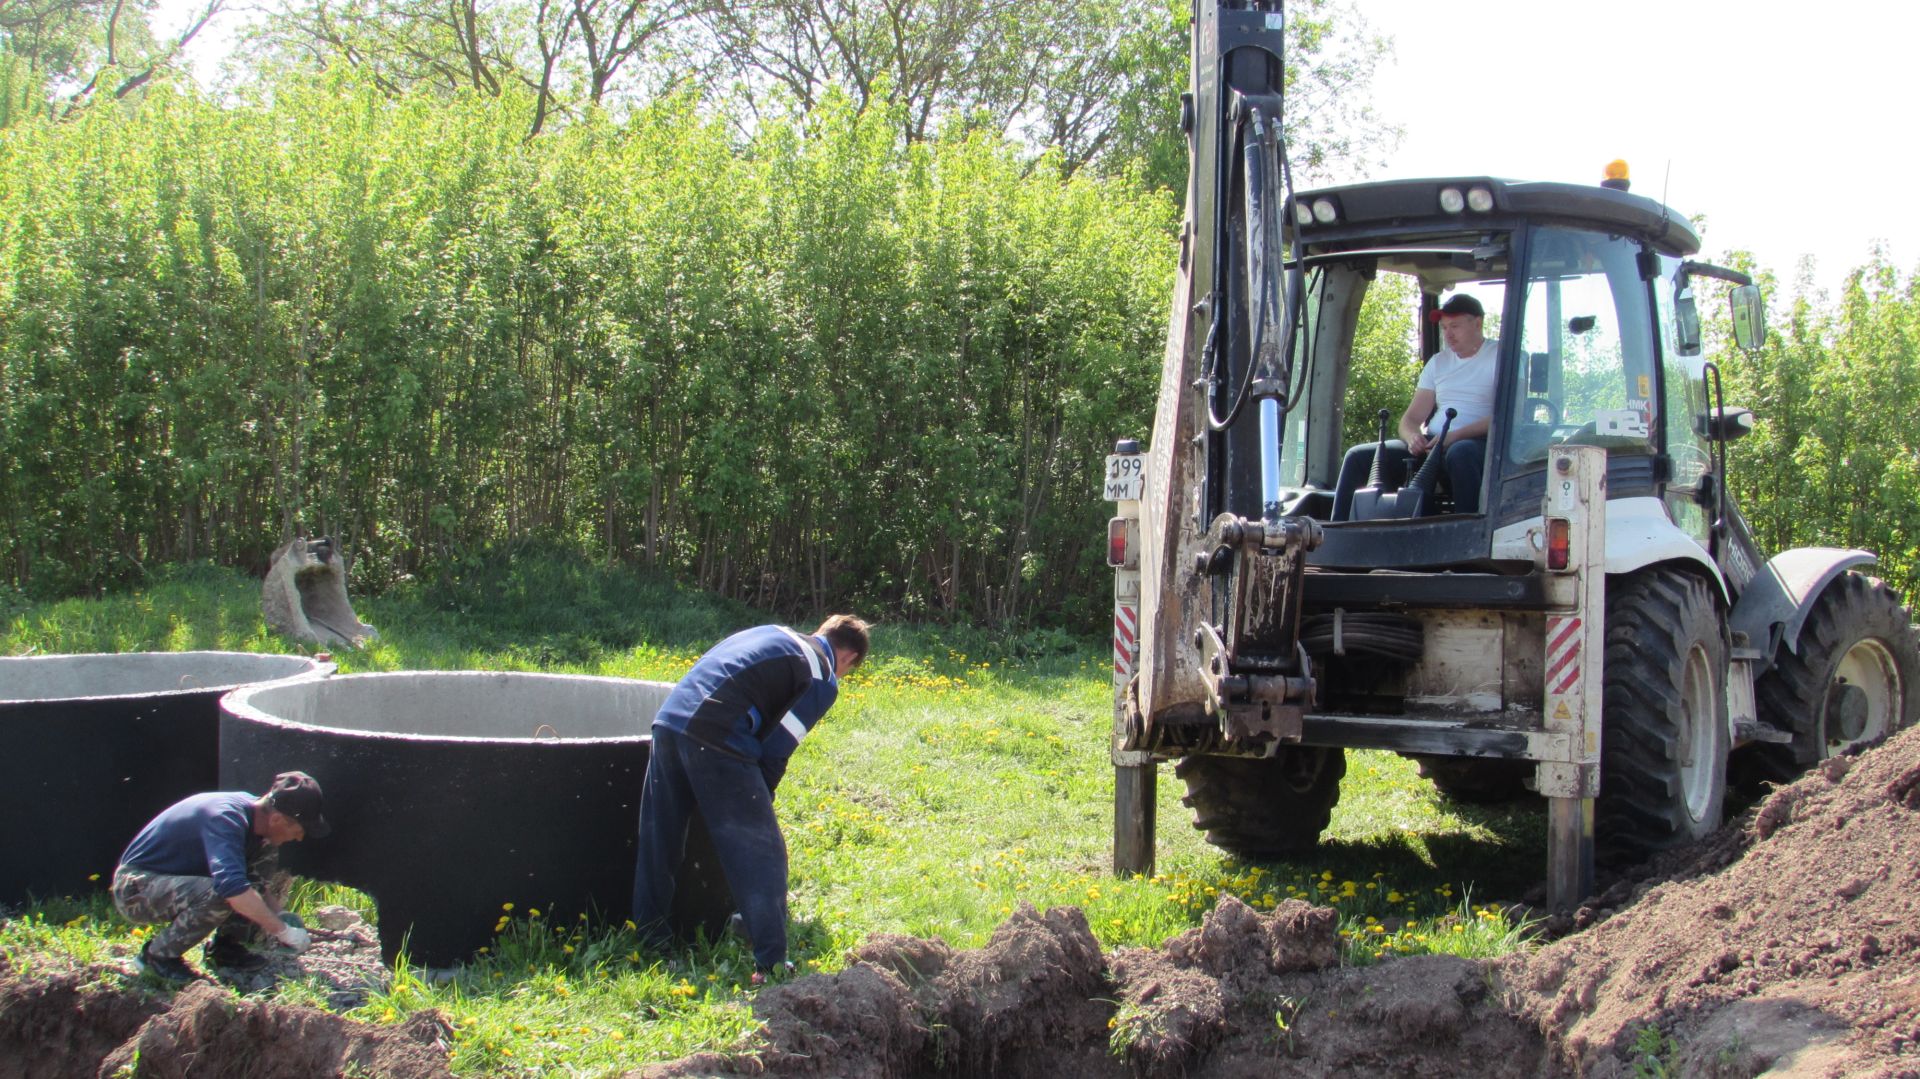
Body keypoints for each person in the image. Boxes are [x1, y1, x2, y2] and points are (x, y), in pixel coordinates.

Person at [632, 615, 870, 984]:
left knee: (661, 836)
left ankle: (649, 942)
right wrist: (761, 800)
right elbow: (777, 749)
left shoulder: (772, 633)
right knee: (763, 851)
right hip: (717, 732)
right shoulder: (823, 674)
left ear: (823, 630)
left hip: (669, 721)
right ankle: (771, 964)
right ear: (849, 658)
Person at [113, 771, 330, 983]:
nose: (300, 838)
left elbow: (253, 885)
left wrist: (280, 914)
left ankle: (227, 946)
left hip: (173, 882)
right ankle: (157, 957)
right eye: (300, 829)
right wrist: (282, 931)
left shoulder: (256, 823)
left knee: (265, 854)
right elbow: (233, 889)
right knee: (223, 893)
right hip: (136, 888)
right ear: (276, 819)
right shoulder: (225, 818)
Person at [1397, 293, 1498, 513]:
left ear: (1478, 323)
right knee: (1359, 456)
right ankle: (1331, 532)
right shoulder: (1438, 362)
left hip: (1481, 443)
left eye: (1455, 326)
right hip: (1434, 443)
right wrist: (1412, 436)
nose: (1448, 335)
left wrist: (1455, 436)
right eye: (1444, 328)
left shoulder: (1502, 356)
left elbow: (1507, 417)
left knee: (1461, 453)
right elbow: (1411, 419)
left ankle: (1468, 530)